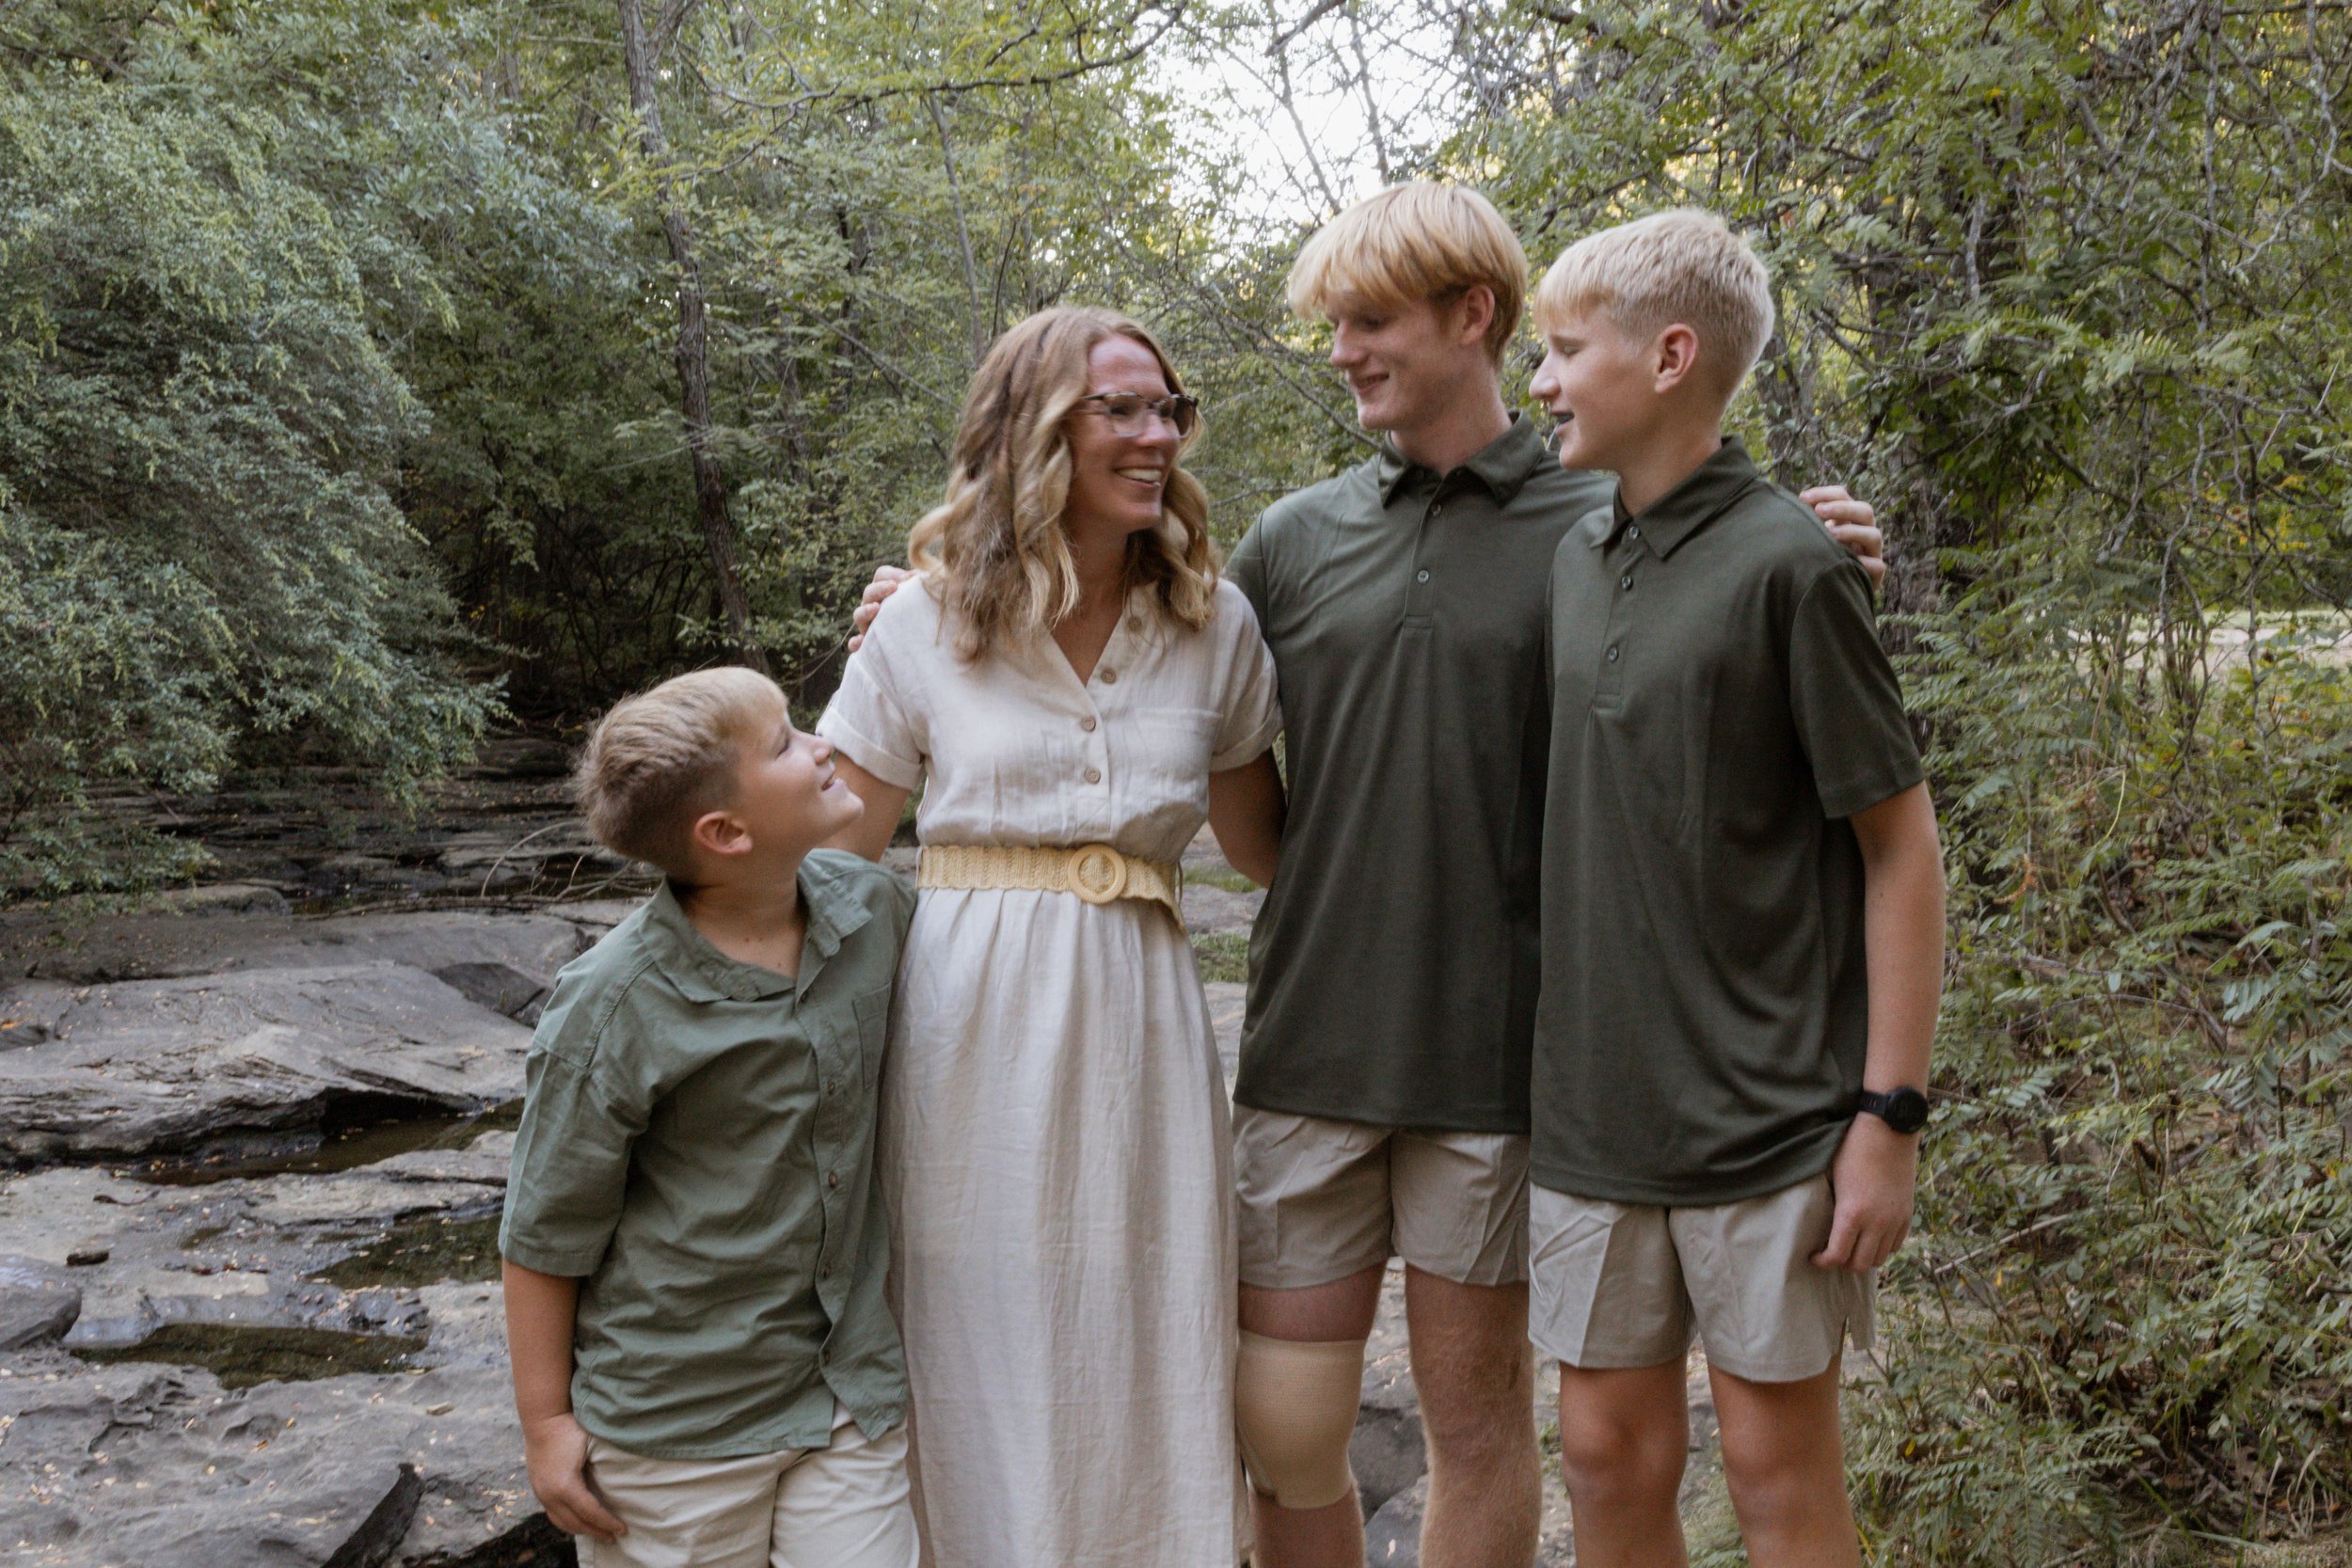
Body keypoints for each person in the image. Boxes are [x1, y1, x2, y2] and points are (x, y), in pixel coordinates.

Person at [850, 183, 1886, 1568]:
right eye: (1332, 322)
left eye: (1367, 319)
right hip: (1311, 1047)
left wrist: (1823, 542)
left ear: (1473, 316)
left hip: (1500, 1064)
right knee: (1283, 1430)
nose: (1339, 348)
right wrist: (929, 607)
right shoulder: (1289, 542)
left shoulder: (1605, 518)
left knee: (1479, 1428)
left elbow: (1738, 626)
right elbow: (1162, 668)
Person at [815, 306, 1285, 1568]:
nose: (1157, 433)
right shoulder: (923, 621)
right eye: (1118, 408)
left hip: (1143, 1021)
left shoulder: (1214, 622)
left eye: (1166, 408)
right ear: (1034, 432)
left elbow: (1271, 849)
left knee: (1148, 1317)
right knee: (973, 1325)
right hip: (964, 1022)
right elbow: (829, 852)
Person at [1525, 209, 1947, 1568]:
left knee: (1774, 1472)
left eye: (1564, 351)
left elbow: (1902, 849)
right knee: (1604, 1454)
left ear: (1670, 358)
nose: (1541, 381)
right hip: (1594, 1112)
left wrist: (1888, 1116)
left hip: (1770, 1118)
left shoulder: (1792, 565)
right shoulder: (1577, 553)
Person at [498, 667, 920, 1568]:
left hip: (845, 1394)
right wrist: (545, 1423)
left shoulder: (871, 911)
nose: (823, 746)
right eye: (786, 742)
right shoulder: (612, 1004)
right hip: (675, 1431)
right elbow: (544, 1228)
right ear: (726, 833)